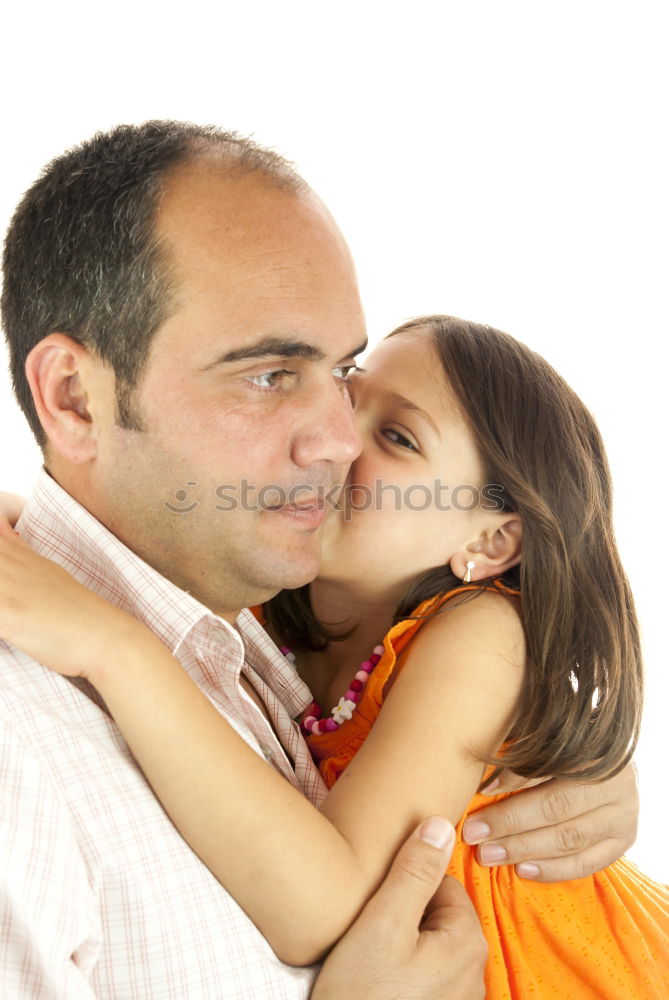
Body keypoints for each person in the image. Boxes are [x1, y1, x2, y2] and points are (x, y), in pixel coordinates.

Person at [0, 121, 640, 998]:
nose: (340, 444)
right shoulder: (26, 736)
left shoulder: (257, 636)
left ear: (492, 542)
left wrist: (565, 759)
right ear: (73, 399)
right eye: (268, 374)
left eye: (340, 370)